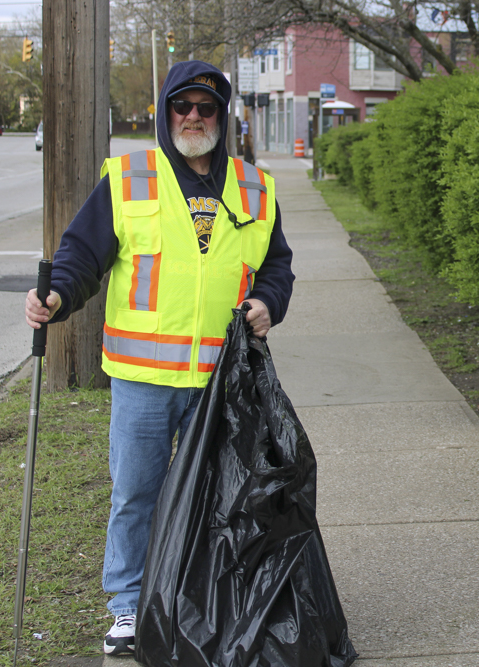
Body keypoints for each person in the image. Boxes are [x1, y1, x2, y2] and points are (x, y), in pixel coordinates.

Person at [24, 61, 294, 656]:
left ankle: (202, 599)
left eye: (206, 108)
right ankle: (127, 605)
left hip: (222, 378)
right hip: (144, 379)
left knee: (219, 496)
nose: (193, 118)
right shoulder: (129, 178)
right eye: (183, 106)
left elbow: (277, 264)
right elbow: (81, 256)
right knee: (136, 494)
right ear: (165, 110)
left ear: (222, 117)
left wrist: (270, 301)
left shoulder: (255, 185)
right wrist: (57, 296)